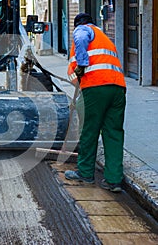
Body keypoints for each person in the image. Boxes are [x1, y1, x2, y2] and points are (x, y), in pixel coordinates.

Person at [64, 13, 126, 193]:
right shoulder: (104, 38)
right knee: (113, 133)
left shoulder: (83, 30)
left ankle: (85, 173)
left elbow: (81, 38)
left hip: (96, 87)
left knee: (89, 131)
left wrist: (81, 65)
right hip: (118, 88)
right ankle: (113, 180)